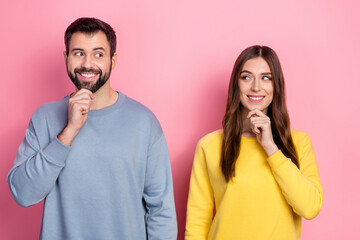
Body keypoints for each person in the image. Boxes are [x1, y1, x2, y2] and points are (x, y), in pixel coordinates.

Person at [7, 17, 177, 240]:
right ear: (66, 57)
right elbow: (23, 193)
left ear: (112, 60)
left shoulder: (144, 122)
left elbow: (161, 210)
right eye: (78, 53)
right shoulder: (45, 117)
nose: (88, 64)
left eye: (98, 54)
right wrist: (69, 131)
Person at [185, 45, 323, 239]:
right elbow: (197, 224)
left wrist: (271, 148)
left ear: (276, 86)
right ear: (236, 85)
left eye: (266, 77)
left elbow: (310, 208)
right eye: (246, 77)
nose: (256, 87)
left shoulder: (299, 143)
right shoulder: (210, 146)